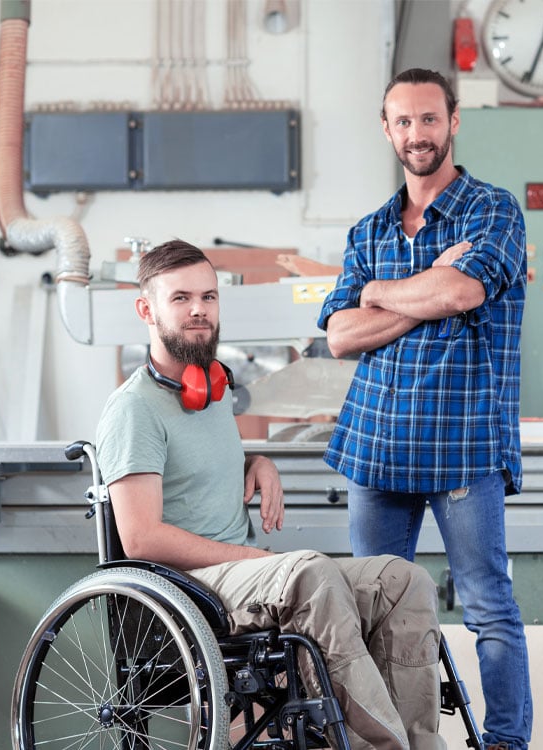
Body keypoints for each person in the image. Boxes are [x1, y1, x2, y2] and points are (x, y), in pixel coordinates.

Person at [95, 239, 447, 750]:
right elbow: (143, 537)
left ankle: (419, 743)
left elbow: (188, 468)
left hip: (240, 578)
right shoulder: (133, 410)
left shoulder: (211, 389)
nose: (199, 310)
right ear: (146, 310)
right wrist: (249, 555)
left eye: (209, 297)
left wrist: (256, 462)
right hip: (186, 592)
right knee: (310, 573)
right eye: (181, 298)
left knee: (401, 579)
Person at [316, 68, 533, 750]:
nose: (417, 134)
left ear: (453, 122)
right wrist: (416, 287)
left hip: (464, 442)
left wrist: (381, 294)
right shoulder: (370, 228)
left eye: (429, 119)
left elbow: (464, 294)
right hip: (375, 446)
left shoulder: (492, 210)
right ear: (388, 130)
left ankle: (504, 743)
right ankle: (392, 741)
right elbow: (340, 334)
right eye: (403, 122)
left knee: (487, 607)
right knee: (368, 613)